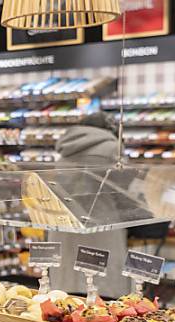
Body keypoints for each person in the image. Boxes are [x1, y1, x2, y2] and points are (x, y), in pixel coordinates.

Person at [50, 113, 132, 298]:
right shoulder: (113, 149)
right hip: (103, 228)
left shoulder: (65, 149)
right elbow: (126, 195)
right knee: (102, 297)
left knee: (66, 298)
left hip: (66, 228)